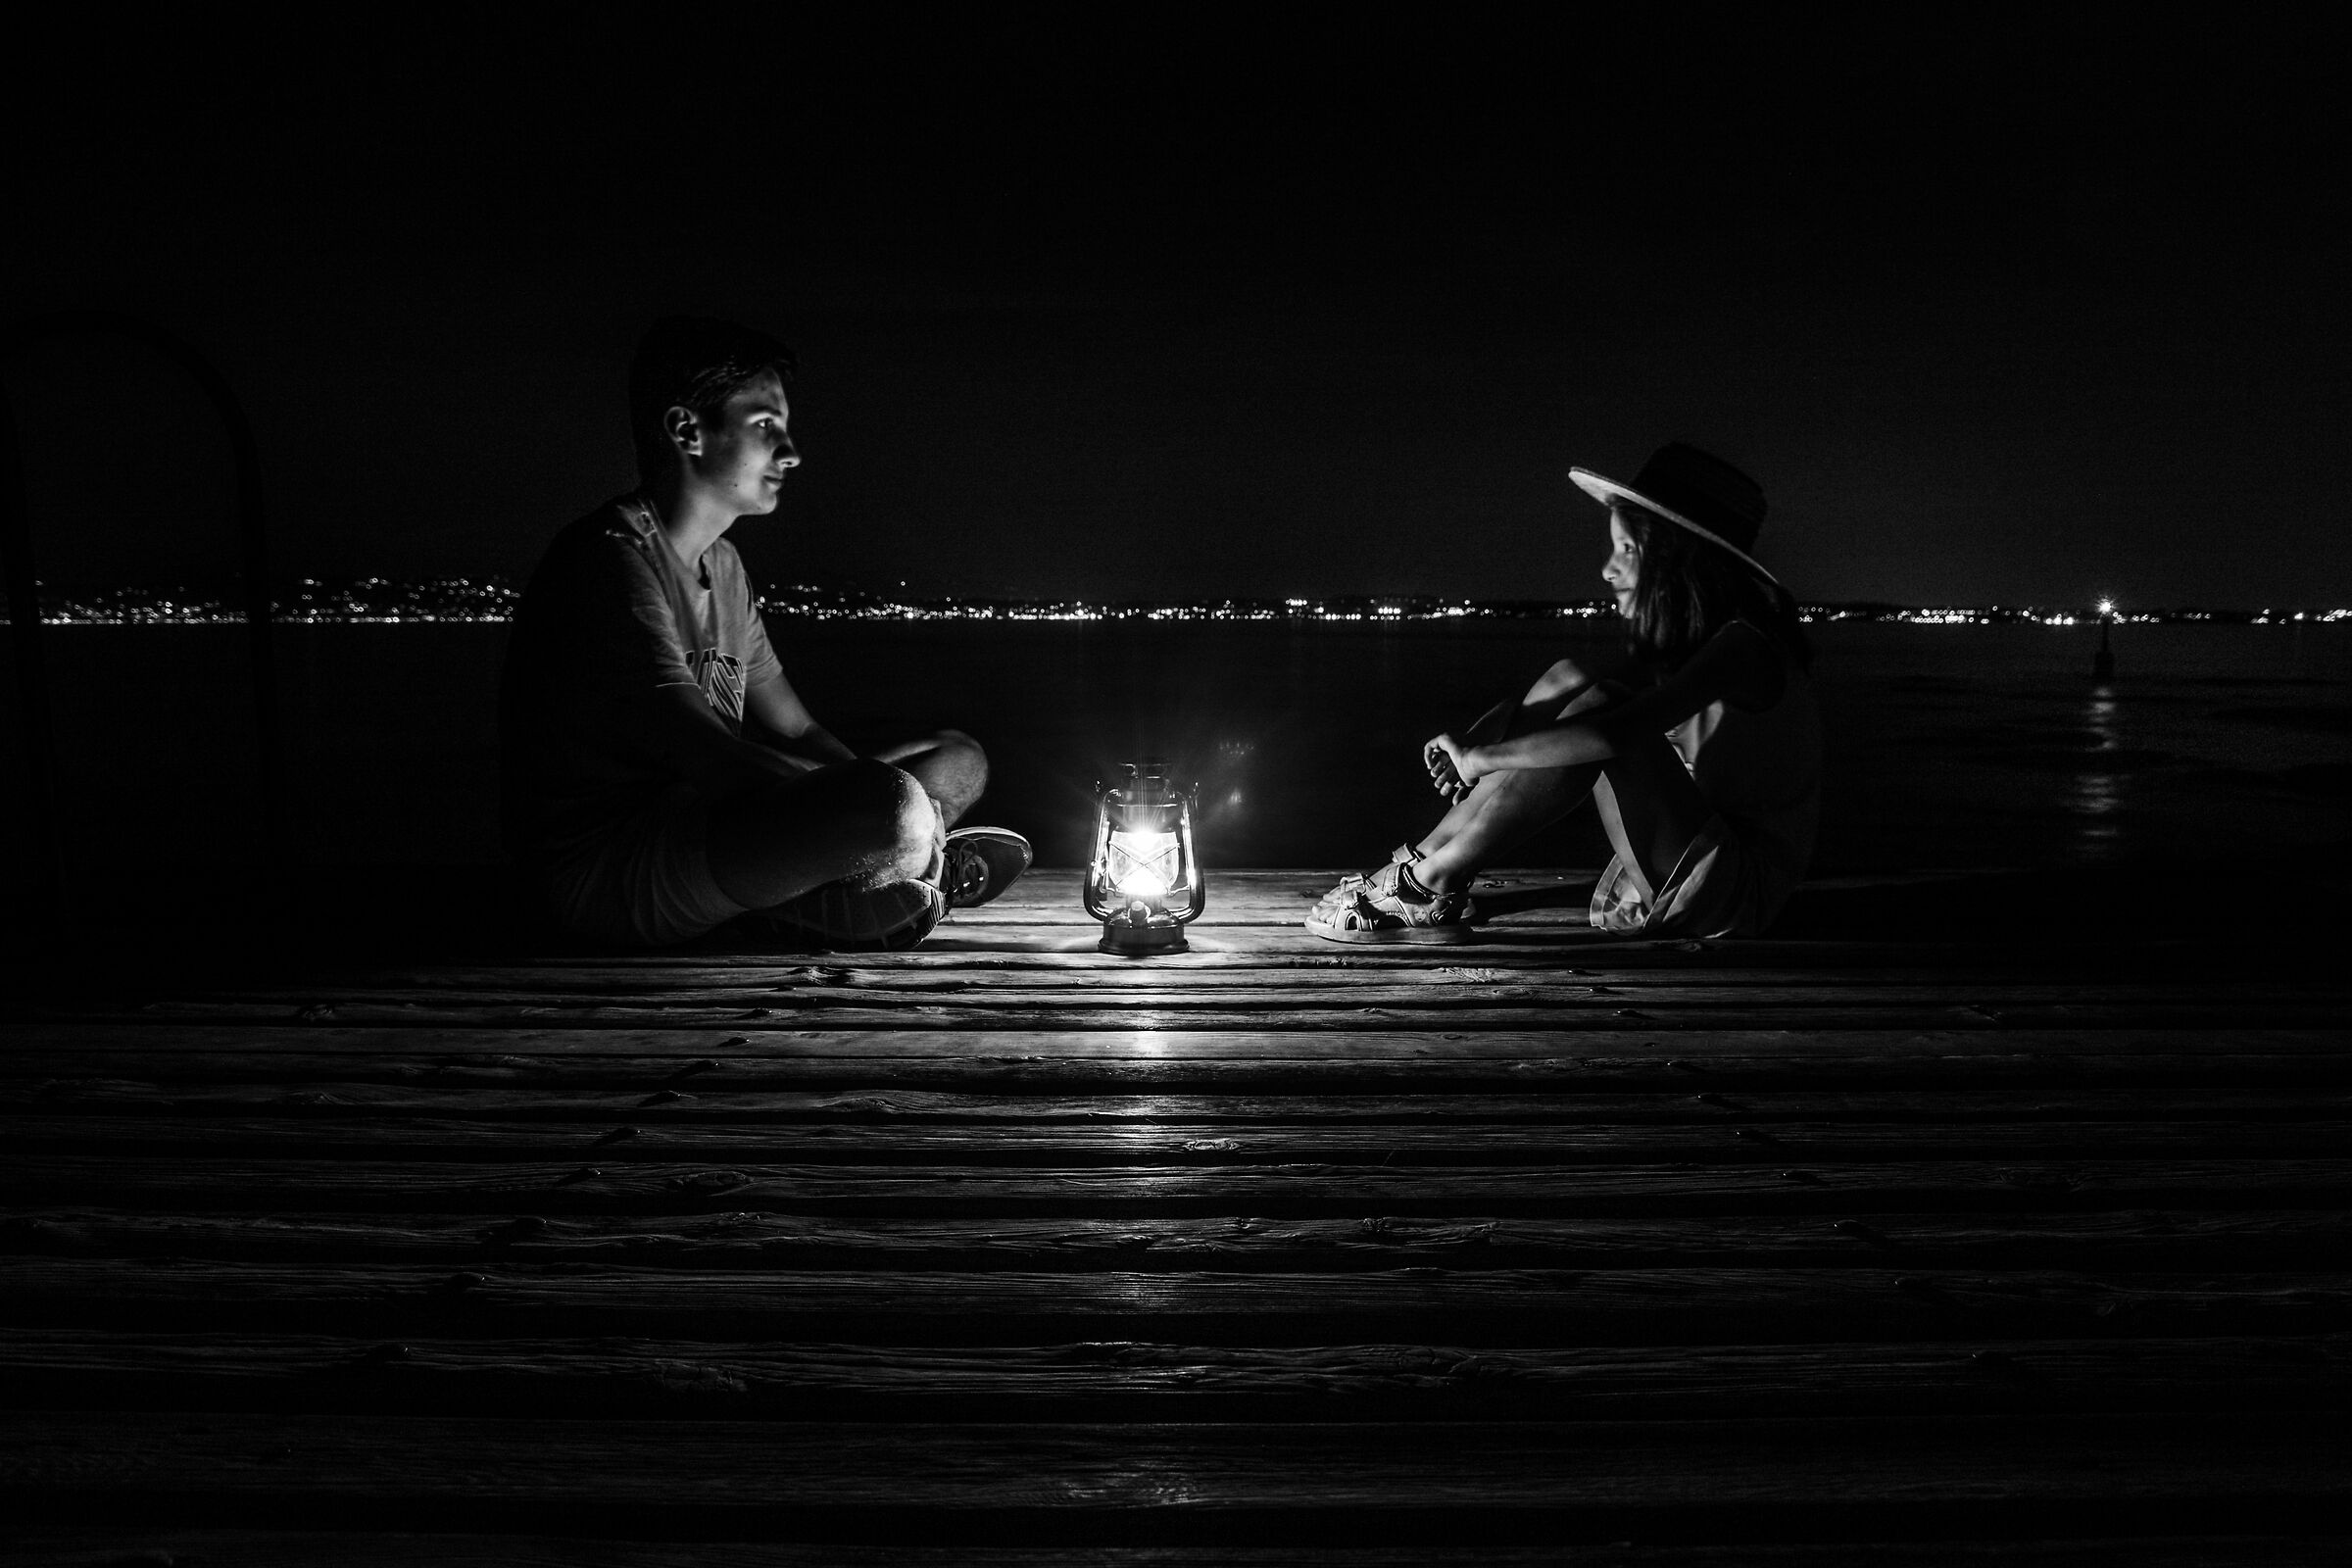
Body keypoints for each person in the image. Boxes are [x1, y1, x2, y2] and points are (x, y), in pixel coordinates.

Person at [499, 316, 1030, 949]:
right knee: (893, 812)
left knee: (957, 759)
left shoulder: (723, 565)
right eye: (764, 426)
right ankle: (880, 879)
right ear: (687, 431)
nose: (790, 450)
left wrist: (881, 794)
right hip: (619, 867)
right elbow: (705, 753)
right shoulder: (611, 558)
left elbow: (797, 729)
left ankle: (890, 873)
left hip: (707, 821)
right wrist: (881, 804)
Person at [1306, 442, 1820, 943]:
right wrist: (1494, 730)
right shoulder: (1705, 644)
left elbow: (1613, 731)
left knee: (1605, 712)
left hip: (1734, 889)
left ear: (1682, 559)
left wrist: (1482, 759)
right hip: (1692, 854)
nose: (1608, 568)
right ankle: (1428, 861)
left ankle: (1431, 881)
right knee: (1570, 676)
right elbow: (1576, 688)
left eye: (1628, 549)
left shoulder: (1744, 647)